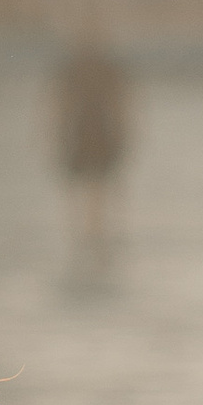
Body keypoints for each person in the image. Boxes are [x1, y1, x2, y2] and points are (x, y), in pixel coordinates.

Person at [53, 27, 131, 272]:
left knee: (94, 187)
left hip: (92, 129)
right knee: (91, 187)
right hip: (89, 129)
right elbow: (61, 102)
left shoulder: (93, 68)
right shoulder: (82, 68)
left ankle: (90, 234)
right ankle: (90, 234)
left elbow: (119, 102)